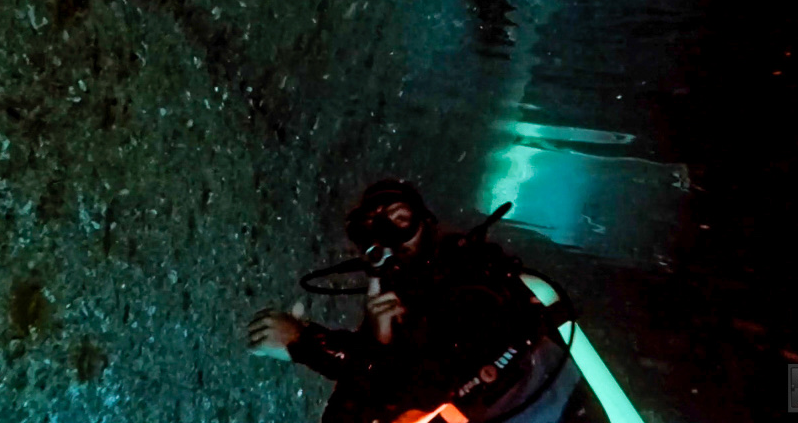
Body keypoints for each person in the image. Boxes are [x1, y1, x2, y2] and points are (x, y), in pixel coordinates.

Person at [247, 179, 582, 423]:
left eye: (400, 219)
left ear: (427, 224)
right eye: (369, 229)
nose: (389, 237)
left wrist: (307, 343)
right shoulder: (395, 312)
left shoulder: (473, 280)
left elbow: (429, 380)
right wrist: (377, 340)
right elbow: (349, 412)